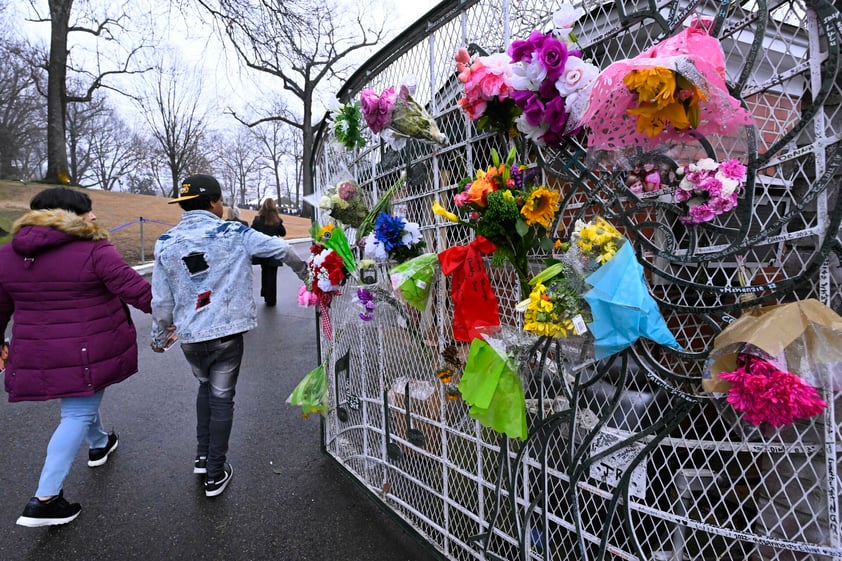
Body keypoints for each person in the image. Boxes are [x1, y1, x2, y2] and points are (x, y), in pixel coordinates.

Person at [0, 187, 152, 527]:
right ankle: (45, 498)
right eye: (86, 211)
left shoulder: (6, 255)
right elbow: (136, 290)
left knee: (79, 402)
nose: (93, 217)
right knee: (77, 412)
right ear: (66, 216)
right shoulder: (94, 249)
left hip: (37, 350)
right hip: (86, 348)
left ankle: (99, 444)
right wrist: (176, 316)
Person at [150, 174, 307, 498]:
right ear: (213, 202)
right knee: (222, 398)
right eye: (220, 201)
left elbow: (161, 302)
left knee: (204, 387)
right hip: (226, 334)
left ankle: (202, 456)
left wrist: (159, 336)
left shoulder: (165, 241)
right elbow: (280, 249)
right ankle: (215, 473)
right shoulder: (233, 232)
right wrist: (306, 273)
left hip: (191, 338)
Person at [250, 198, 287, 306]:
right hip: (274, 251)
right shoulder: (277, 220)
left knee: (264, 272)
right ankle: (271, 298)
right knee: (272, 275)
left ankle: (266, 294)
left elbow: (252, 232)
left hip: (262, 251)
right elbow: (283, 233)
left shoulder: (258, 219)